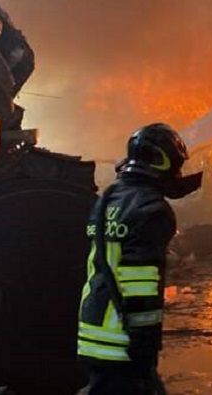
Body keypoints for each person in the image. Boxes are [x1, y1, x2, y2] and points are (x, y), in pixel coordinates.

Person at [77, 123, 202, 394]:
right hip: (122, 339)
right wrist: (144, 344)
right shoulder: (152, 208)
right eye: (175, 166)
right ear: (161, 160)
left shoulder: (109, 199)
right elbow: (139, 280)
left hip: (92, 330)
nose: (177, 174)